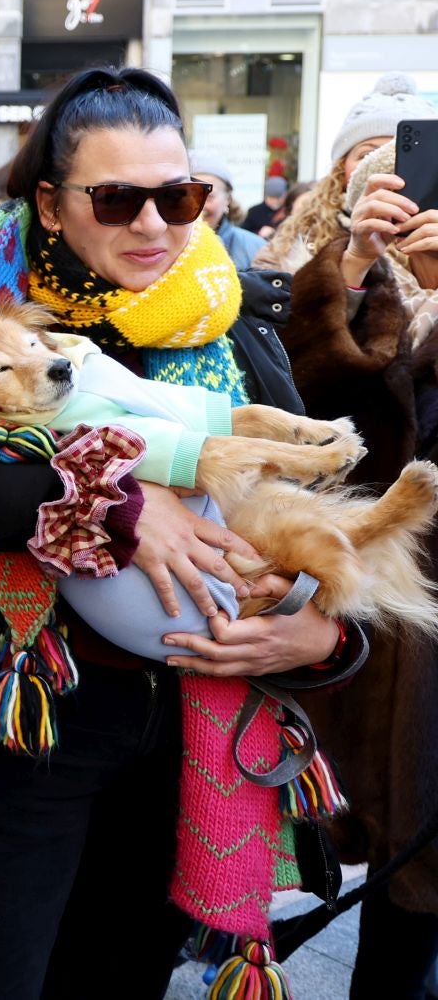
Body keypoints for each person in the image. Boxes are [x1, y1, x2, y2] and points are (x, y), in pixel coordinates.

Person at [0, 67, 367, 1000]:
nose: (154, 225)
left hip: (187, 722)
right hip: (21, 714)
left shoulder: (238, 324)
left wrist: (323, 638)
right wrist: (109, 498)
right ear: (50, 203)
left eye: (179, 195)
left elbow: (319, 510)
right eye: (118, 198)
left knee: (122, 975)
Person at [275, 135, 438, 998]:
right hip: (381, 623)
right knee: (401, 872)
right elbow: (304, 425)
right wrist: (349, 272)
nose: (398, 181)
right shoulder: (330, 274)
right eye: (369, 162)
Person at [258, 73, 437, 285]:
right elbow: (271, 314)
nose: (382, 168)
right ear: (341, 169)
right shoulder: (296, 239)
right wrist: (356, 259)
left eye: (400, 157)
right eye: (366, 155)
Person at [187, 151, 266, 271]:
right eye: (187, 195)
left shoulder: (256, 250)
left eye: (208, 197)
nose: (196, 206)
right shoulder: (162, 248)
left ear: (227, 199)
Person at [243, 174, 289, 238]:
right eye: (271, 198)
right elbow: (244, 233)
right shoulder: (254, 211)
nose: (275, 201)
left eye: (278, 198)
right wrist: (258, 233)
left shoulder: (288, 211)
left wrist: (274, 232)